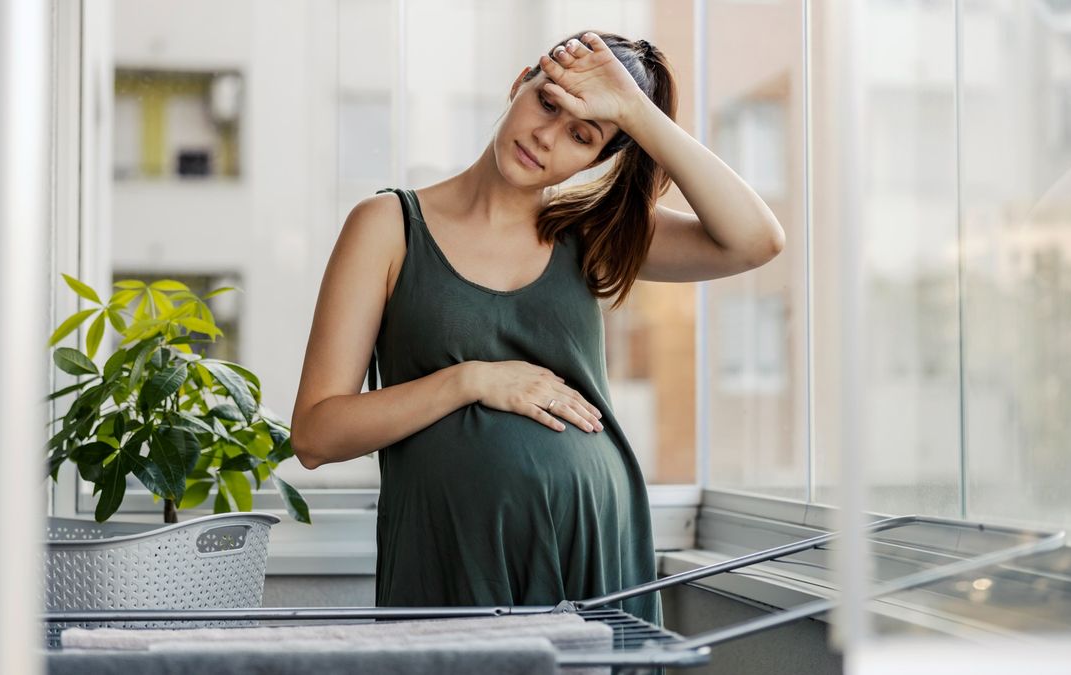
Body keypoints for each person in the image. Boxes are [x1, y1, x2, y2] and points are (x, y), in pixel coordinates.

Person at [290, 30, 785, 629]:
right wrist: (472, 380)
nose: (546, 138)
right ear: (520, 81)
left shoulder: (591, 235)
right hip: (452, 553)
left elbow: (757, 240)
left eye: (583, 135)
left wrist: (633, 112)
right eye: (548, 102)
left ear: (600, 159)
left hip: (597, 548)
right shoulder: (388, 226)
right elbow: (316, 435)